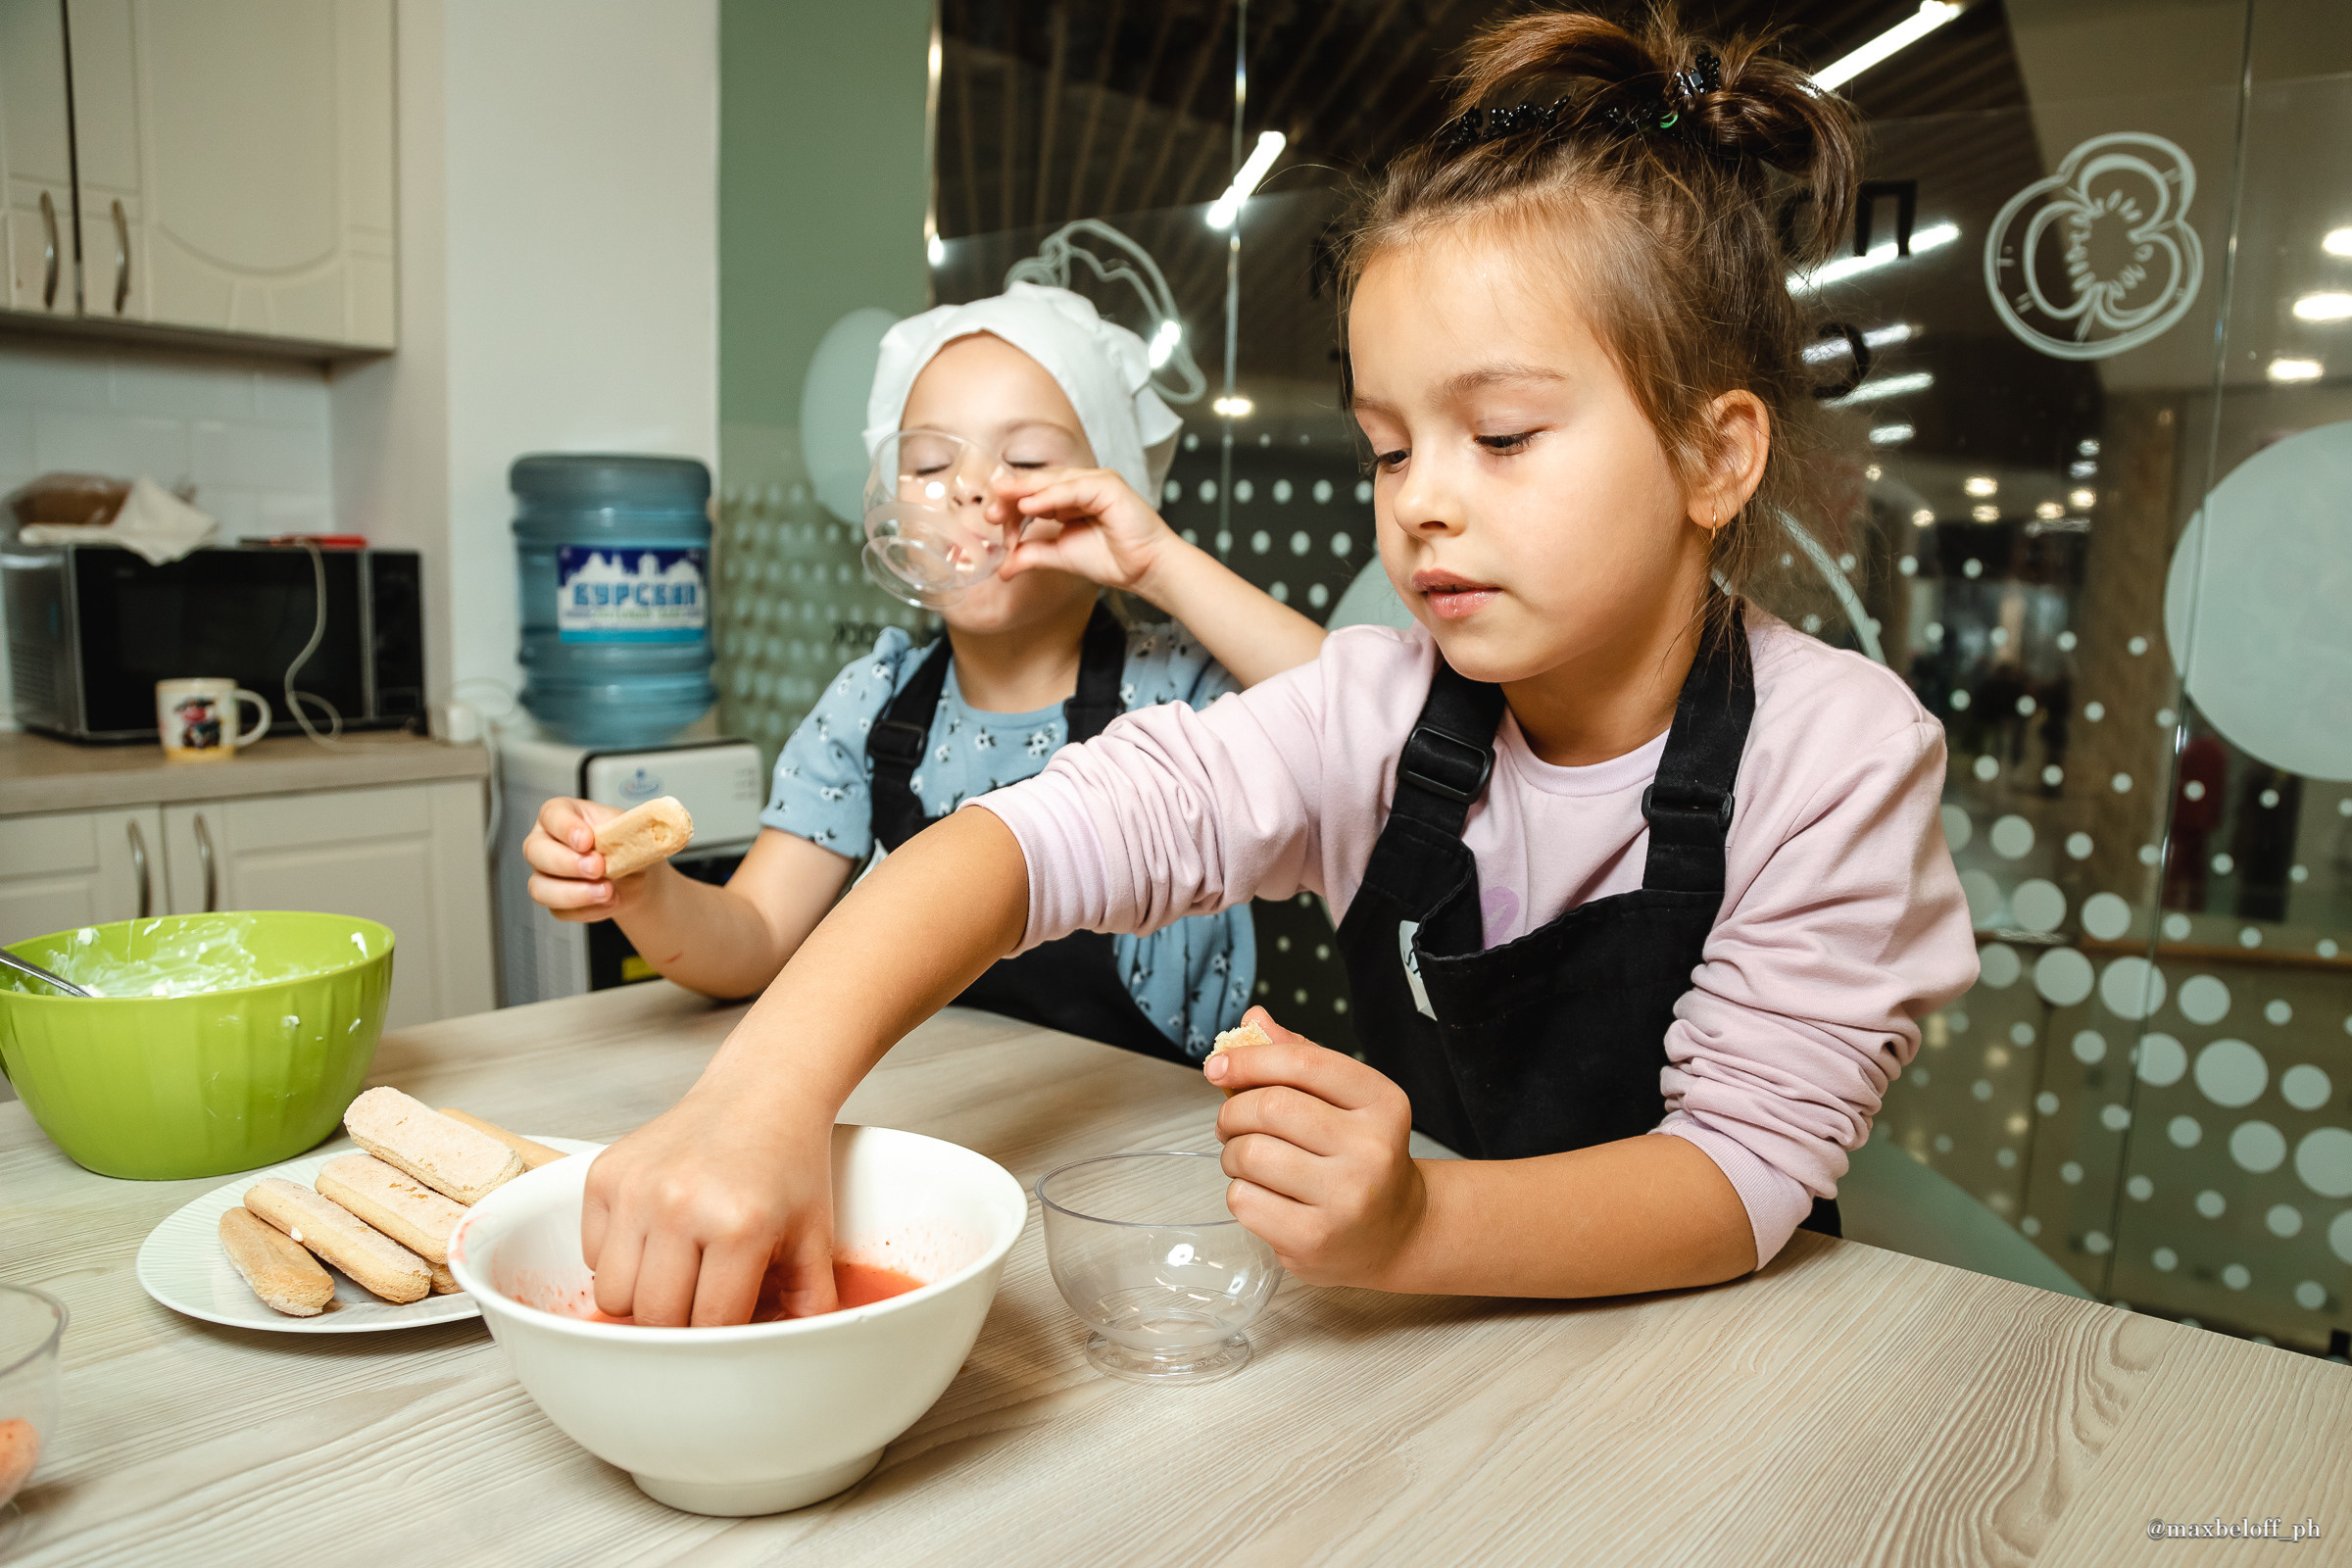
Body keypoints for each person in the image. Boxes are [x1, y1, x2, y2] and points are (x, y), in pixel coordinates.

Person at [579, 10, 1980, 1327]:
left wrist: (1417, 1224)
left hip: (1708, 1354)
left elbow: (1734, 1179)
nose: (1421, 500)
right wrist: (758, 1098)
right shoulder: (1377, 711)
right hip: (1439, 1342)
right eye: (1387, 446)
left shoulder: (1833, 753)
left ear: (1713, 455)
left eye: (1497, 436)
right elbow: (1025, 840)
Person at [523, 282, 1324, 1060]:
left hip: (1150, 1151)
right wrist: (641, 889)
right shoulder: (871, 706)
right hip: (945, 1131)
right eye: (932, 463)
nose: (972, 489)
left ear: (1113, 490)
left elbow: (1364, 727)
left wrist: (1157, 563)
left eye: (1027, 458)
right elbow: (757, 939)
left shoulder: (1181, 689)